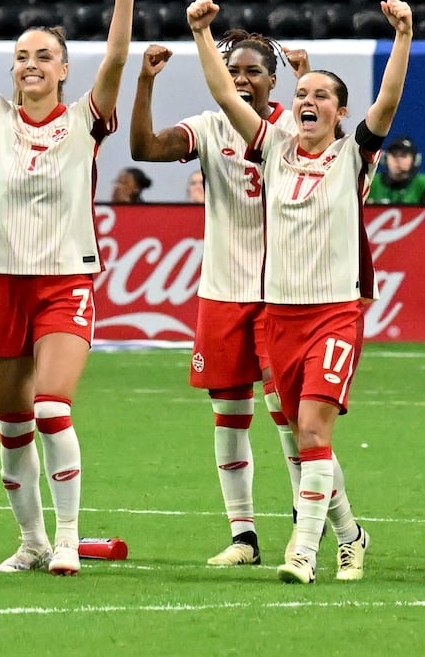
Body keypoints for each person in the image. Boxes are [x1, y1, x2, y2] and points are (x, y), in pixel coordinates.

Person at [187, 0, 414, 585]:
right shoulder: (273, 149)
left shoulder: (352, 156)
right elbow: (222, 94)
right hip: (278, 318)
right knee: (300, 433)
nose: (308, 101)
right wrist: (201, 35)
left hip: (334, 315)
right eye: (303, 93)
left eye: (322, 96)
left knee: (312, 429)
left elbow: (387, 101)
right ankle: (353, 536)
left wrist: (404, 37)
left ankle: (302, 552)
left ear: (340, 113)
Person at [0, 0, 137, 576]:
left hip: (64, 282)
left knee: (52, 408)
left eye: (43, 56)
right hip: (1, 283)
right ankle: (31, 542)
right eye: (22, 56)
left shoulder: (85, 119)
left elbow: (115, 57)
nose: (29, 64)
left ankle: (70, 538)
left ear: (62, 69)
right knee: (12, 425)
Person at [130, 33, 309, 566]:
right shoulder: (208, 129)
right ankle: (244, 537)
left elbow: (331, 133)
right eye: (233, 71)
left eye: (253, 71)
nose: (241, 79)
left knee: (291, 419)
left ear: (272, 80)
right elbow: (143, 148)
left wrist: (307, 78)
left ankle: (307, 522)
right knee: (229, 417)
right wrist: (144, 82)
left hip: (280, 294)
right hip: (223, 294)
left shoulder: (291, 129)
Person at [365, 136, 425, 204]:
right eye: (394, 155)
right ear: (385, 158)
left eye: (403, 155)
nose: (397, 160)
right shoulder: (370, 182)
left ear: (415, 160)